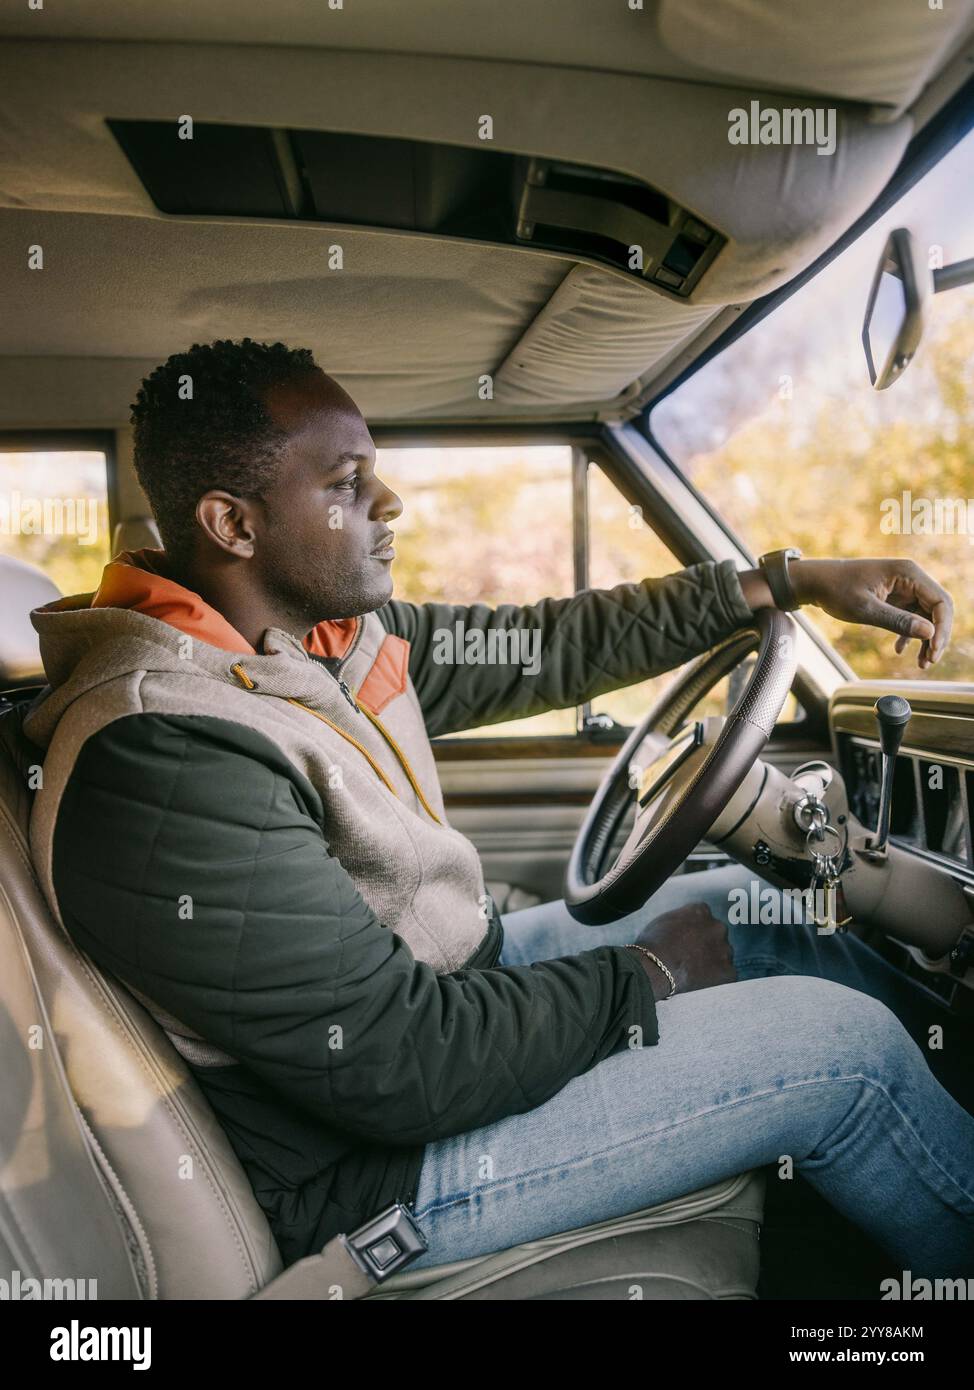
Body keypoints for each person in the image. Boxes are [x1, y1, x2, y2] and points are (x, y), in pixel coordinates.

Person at [25, 339, 974, 1281]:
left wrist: (789, 582)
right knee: (845, 1054)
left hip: (456, 991)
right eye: (349, 484)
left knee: (756, 910)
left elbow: (543, 645)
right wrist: (647, 975)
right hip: (381, 1168)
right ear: (234, 523)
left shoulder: (317, 639)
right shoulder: (162, 747)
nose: (388, 504)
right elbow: (400, 1062)